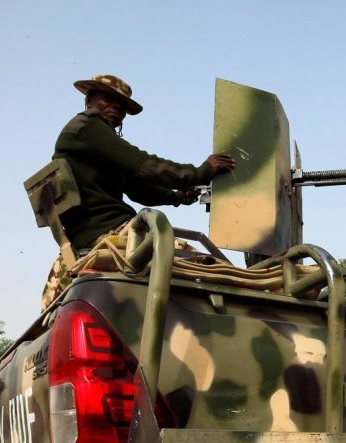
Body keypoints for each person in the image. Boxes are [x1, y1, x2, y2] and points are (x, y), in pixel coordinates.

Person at [41, 74, 235, 309]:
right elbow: (145, 166)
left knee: (52, 312)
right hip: (111, 232)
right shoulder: (87, 126)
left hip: (80, 242)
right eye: (108, 99)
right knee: (216, 270)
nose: (116, 107)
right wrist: (203, 171)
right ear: (89, 100)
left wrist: (177, 196)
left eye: (122, 104)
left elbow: (138, 189)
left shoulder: (93, 142)